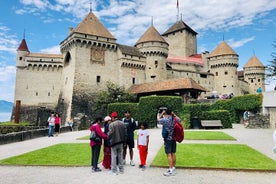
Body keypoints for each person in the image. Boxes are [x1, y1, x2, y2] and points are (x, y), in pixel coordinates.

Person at [157, 108, 180, 176]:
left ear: (166, 113)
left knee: (169, 154)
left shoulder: (165, 120)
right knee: (173, 153)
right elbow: (179, 119)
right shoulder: (175, 119)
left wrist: (161, 114)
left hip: (167, 139)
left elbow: (158, 119)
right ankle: (173, 168)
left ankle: (170, 169)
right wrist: (174, 114)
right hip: (173, 138)